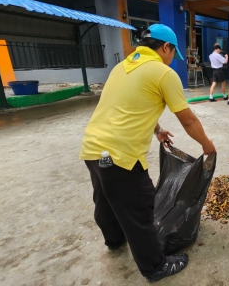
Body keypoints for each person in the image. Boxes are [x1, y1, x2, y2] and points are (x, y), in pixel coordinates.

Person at [79, 24, 216, 283]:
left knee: (106, 197)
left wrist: (158, 131)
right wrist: (207, 145)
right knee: (139, 208)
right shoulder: (163, 73)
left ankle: (114, 240)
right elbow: (187, 120)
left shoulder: (121, 68)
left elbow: (129, 104)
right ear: (166, 47)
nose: (170, 59)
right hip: (121, 156)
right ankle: (155, 267)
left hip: (96, 151)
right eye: (171, 53)